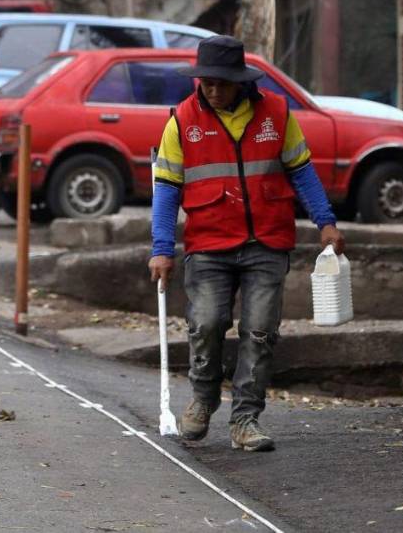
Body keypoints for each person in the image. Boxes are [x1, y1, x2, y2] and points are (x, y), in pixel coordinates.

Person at [148, 35, 345, 452]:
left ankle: (245, 419)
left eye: (221, 82)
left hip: (266, 243)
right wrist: (162, 247)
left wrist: (325, 222)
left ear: (241, 81)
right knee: (206, 323)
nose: (213, 90)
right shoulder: (182, 121)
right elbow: (165, 189)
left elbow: (302, 172)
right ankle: (203, 399)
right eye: (207, 82)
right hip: (208, 244)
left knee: (259, 331)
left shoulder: (276, 112)